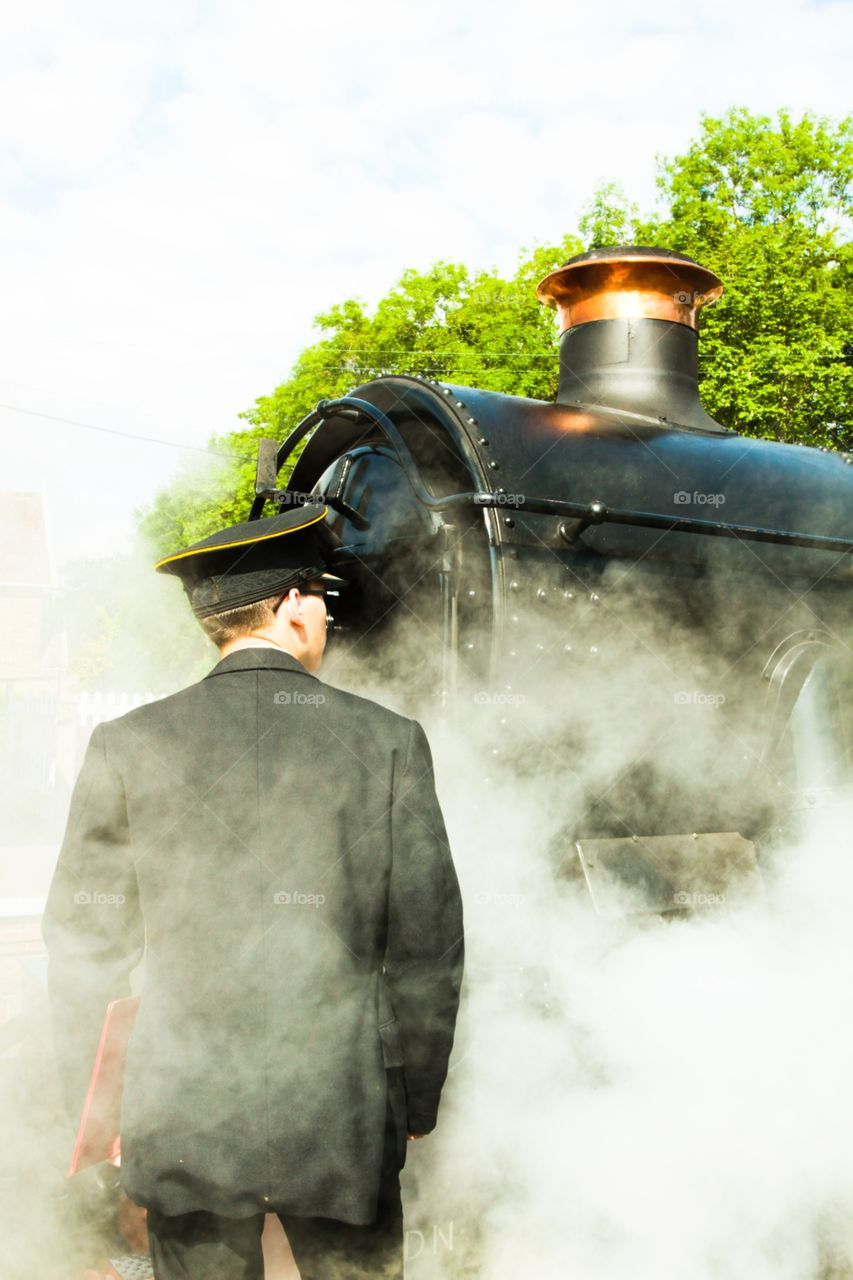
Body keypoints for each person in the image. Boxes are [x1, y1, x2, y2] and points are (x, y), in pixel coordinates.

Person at [42, 502, 465, 1280]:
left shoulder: (126, 745)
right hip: (342, 1110)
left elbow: (82, 944)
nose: (327, 619)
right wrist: (414, 1099)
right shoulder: (388, 743)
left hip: (181, 1110)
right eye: (323, 600)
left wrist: (101, 1116)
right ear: (294, 605)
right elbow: (426, 945)